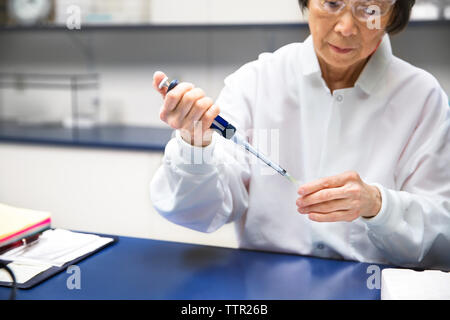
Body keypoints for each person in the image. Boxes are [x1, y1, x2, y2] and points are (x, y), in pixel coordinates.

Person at [150, 0, 450, 270]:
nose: (346, 27)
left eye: (370, 9)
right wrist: (194, 145)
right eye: (332, 3)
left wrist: (379, 206)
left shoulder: (422, 98)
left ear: (394, 13)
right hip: (264, 289)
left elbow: (442, 239)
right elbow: (199, 211)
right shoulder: (258, 81)